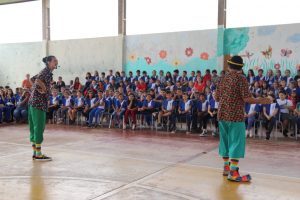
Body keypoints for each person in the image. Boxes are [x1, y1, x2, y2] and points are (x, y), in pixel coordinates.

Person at [215, 55, 271, 182]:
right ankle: (233, 172)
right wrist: (264, 100)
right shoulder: (241, 79)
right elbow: (247, 99)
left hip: (222, 114)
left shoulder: (222, 79)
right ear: (241, 67)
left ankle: (226, 168)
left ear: (229, 66)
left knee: (225, 141)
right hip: (235, 116)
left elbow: (216, 98)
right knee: (236, 142)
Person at [28, 55, 59, 161]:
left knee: (34, 127)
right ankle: (38, 154)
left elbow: (32, 79)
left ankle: (35, 152)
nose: (56, 62)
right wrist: (44, 89)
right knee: (39, 127)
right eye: (54, 61)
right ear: (49, 62)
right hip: (38, 104)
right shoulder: (46, 71)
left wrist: (35, 90)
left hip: (33, 102)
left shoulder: (45, 71)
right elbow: (37, 81)